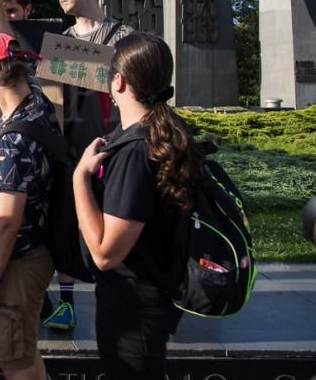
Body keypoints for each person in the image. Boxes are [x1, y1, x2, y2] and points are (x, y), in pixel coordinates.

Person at [73, 32, 198, 379]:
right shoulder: (162, 135)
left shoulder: (134, 152)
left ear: (118, 82)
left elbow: (105, 253)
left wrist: (80, 179)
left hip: (134, 306)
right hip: (148, 297)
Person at [36, 0, 133, 329]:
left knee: (115, 224)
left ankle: (119, 295)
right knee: (66, 227)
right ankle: (67, 302)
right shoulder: (60, 43)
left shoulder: (125, 38)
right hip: (70, 152)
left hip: (117, 150)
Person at [0, 32, 57, 380]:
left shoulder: (12, 142)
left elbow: (6, 222)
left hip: (15, 262)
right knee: (25, 352)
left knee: (12, 361)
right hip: (35, 251)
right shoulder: (38, 106)